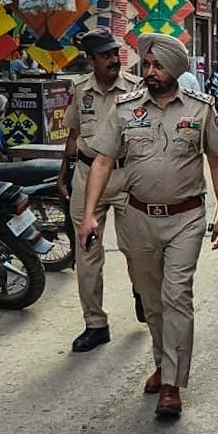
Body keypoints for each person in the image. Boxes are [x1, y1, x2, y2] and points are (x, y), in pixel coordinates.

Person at [78, 33, 218, 419]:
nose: (149, 72)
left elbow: (217, 160)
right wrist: (90, 212)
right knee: (152, 301)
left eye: (157, 66)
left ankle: (172, 385)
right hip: (137, 218)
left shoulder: (199, 109)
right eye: (145, 65)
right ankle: (164, 362)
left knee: (176, 295)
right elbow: (101, 161)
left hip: (186, 218)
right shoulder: (125, 108)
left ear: (175, 69)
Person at [59, 26, 141, 353]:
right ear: (90, 59)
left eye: (114, 53)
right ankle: (95, 323)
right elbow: (73, 134)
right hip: (85, 173)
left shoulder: (136, 89)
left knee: (137, 249)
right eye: (104, 55)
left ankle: (142, 293)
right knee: (87, 253)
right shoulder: (80, 90)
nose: (112, 60)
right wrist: (62, 173)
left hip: (126, 177)